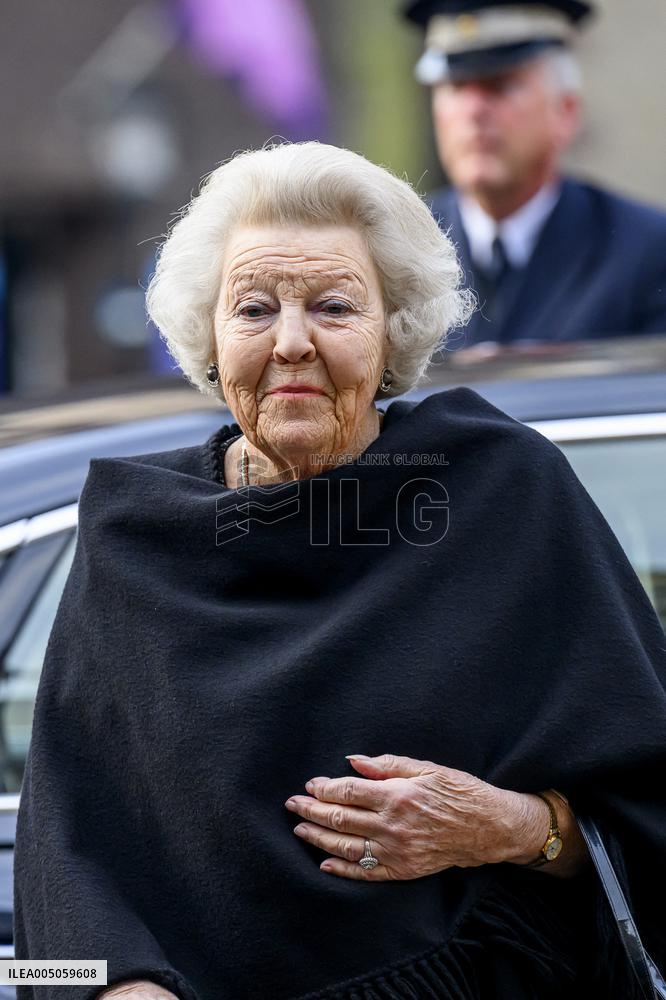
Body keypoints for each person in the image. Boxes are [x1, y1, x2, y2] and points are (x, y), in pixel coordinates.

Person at [12, 141, 666, 1000]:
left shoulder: (500, 491)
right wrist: (117, 991)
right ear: (206, 335)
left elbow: (650, 804)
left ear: (393, 329)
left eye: (332, 305)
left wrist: (516, 828)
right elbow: (59, 882)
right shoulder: (133, 538)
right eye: (252, 309)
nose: (291, 343)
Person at [402, 0, 666, 350]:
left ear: (566, 112)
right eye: (456, 86)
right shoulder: (399, 248)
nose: (474, 110)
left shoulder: (645, 252)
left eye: (500, 86)